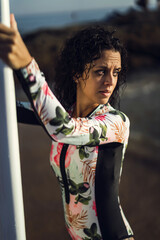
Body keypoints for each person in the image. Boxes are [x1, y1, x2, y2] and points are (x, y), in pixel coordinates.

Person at [0, 14, 134, 240]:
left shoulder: (116, 122)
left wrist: (26, 65)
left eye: (116, 72)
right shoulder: (68, 113)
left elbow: (62, 129)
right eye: (100, 71)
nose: (110, 81)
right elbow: (12, 109)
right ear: (76, 73)